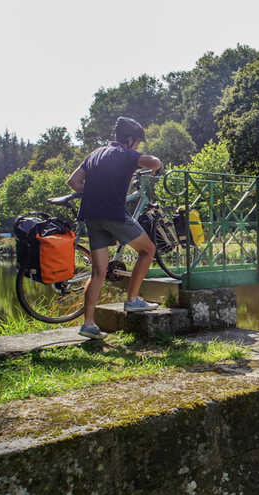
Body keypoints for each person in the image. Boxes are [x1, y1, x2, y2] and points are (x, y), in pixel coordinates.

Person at [67, 117, 163, 339]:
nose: (138, 146)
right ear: (129, 139)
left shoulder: (95, 154)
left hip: (90, 215)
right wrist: (156, 165)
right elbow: (154, 162)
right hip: (113, 213)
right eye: (137, 142)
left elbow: (73, 181)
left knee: (98, 272)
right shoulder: (125, 154)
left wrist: (93, 191)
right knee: (147, 250)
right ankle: (132, 300)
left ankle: (89, 324)